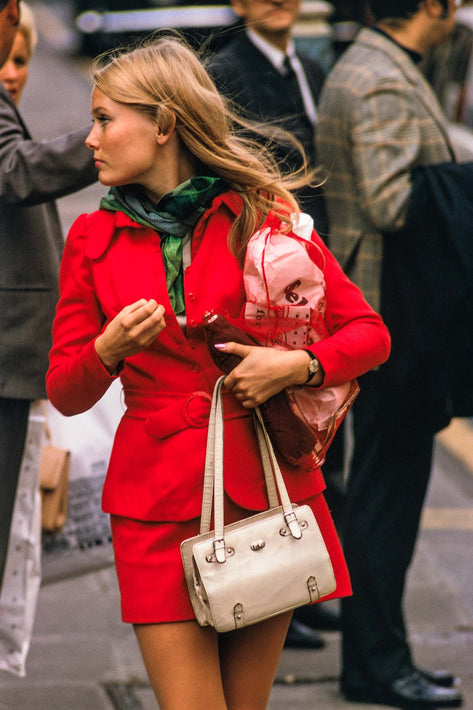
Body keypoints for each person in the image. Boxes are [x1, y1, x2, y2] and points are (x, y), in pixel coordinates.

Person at [46, 36, 390, 710]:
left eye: (105, 119)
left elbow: (368, 334)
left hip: (264, 487)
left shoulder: (263, 214)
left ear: (165, 124)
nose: (90, 139)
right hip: (152, 503)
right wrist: (108, 349)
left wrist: (295, 363)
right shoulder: (92, 238)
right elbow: (64, 387)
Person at [316, 0, 465, 707]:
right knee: (382, 502)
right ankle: (375, 667)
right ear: (428, 4)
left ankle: (384, 657)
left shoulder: (385, 64)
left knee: (387, 498)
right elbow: (386, 201)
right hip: (387, 315)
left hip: (390, 314)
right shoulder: (376, 76)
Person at [208, 0, 340, 645]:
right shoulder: (225, 69)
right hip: (264, 273)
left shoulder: (310, 64)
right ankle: (274, 603)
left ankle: (304, 592)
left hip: (312, 267)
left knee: (316, 430)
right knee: (273, 434)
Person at [0, 0, 97, 590]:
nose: (11, 72)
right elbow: (17, 169)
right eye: (6, 53)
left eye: (22, 60)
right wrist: (113, 130)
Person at [207, 0, 328, 239]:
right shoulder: (219, 75)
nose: (278, 1)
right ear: (239, 5)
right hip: (265, 238)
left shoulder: (311, 68)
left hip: (319, 232)